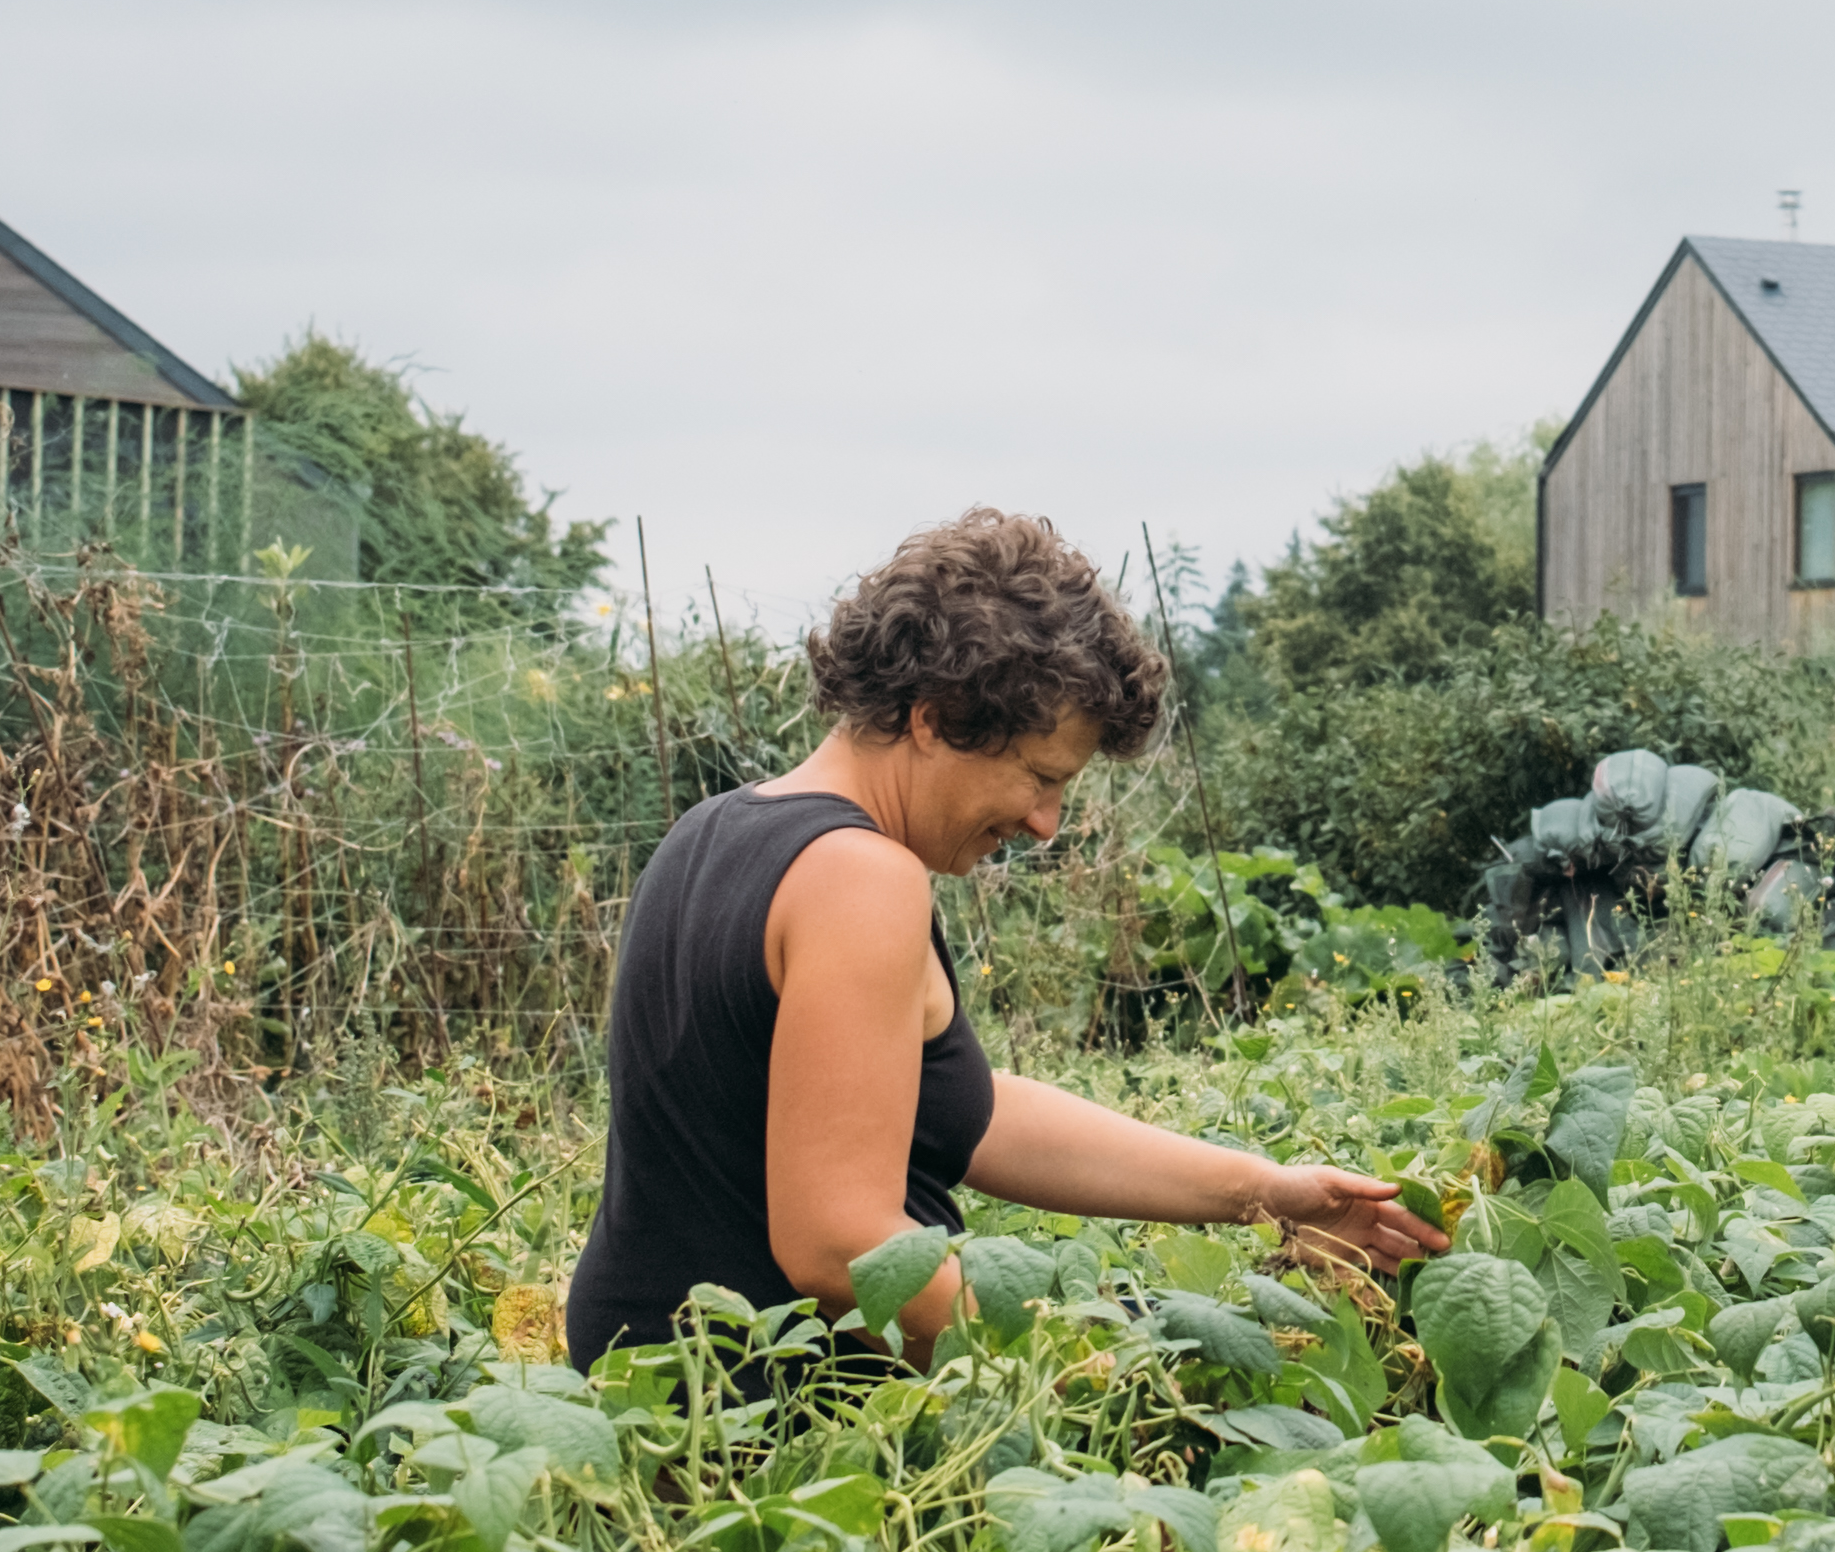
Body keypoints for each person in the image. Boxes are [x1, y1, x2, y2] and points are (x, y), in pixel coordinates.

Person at [564, 508, 1442, 1373]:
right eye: (1040, 775)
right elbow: (839, 1247)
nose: (1046, 823)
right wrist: (1091, 1357)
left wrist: (1265, 1192)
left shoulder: (711, 831)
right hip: (767, 1415)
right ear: (936, 716)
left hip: (642, 1384)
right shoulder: (862, 877)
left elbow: (967, 1112)